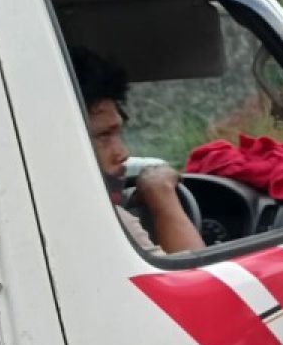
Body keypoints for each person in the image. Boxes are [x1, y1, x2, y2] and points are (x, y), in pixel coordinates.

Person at [71, 47, 205, 255]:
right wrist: (162, 197)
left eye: (119, 134)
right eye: (103, 136)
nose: (122, 153)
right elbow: (196, 281)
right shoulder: (108, 224)